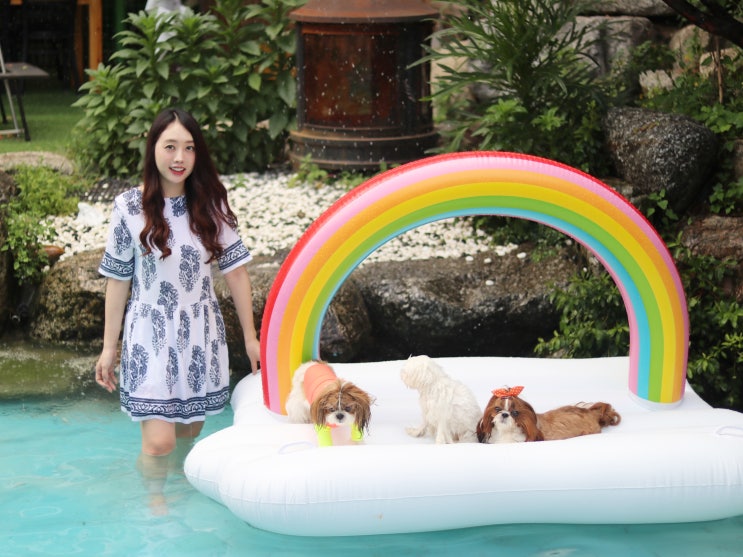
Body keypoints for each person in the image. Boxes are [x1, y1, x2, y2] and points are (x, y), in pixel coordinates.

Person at [94, 107, 260, 513]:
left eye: (189, 148)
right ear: (153, 148)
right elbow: (118, 279)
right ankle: (155, 504)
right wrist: (109, 348)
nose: (179, 157)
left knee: (188, 434)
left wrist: (251, 338)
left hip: (199, 334)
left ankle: (181, 492)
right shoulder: (129, 207)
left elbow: (236, 273)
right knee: (159, 441)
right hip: (148, 334)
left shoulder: (210, 204)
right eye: (170, 147)